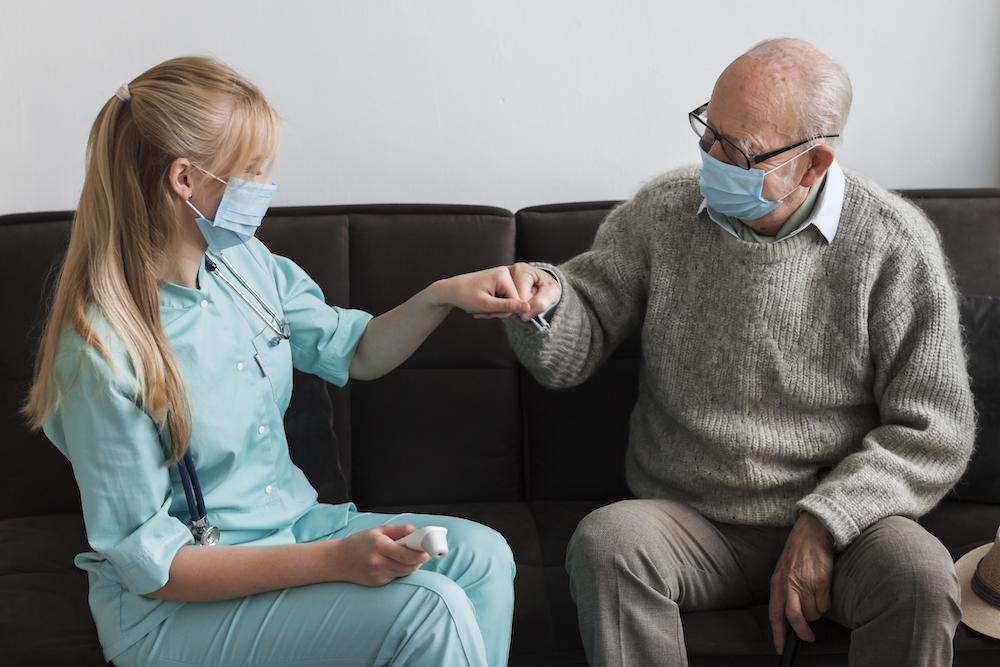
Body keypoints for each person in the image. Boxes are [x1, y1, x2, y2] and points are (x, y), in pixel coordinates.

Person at [23, 56, 520, 667]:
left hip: (291, 528)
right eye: (253, 170)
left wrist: (443, 295)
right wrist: (332, 562)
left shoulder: (246, 266)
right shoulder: (100, 352)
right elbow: (155, 568)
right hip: (176, 606)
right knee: (428, 607)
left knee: (485, 558)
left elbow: (355, 350)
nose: (265, 187)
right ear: (185, 179)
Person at [503, 38, 975, 666]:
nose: (709, 156)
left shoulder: (894, 244)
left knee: (920, 572)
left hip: (843, 528)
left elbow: (934, 429)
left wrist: (825, 521)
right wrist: (545, 303)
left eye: (736, 148)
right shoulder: (663, 212)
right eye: (708, 130)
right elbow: (576, 342)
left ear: (812, 164)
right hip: (690, 521)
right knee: (607, 539)